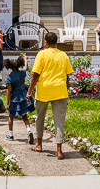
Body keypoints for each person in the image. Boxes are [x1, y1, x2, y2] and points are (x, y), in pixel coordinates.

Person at [26, 32, 73, 160]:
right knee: (59, 121)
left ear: (45, 42)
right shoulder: (63, 55)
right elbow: (67, 75)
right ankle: (59, 151)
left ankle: (39, 144)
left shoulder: (41, 54)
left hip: (44, 90)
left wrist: (29, 91)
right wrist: (66, 89)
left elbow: (35, 75)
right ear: (56, 43)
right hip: (60, 90)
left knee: (40, 117)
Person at [4, 55, 34, 143]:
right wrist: (25, 59)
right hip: (23, 96)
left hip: (14, 98)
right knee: (24, 115)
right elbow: (26, 67)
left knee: (11, 116)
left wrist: (8, 103)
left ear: (10, 66)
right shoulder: (22, 73)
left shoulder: (9, 77)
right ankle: (29, 130)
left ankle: (11, 134)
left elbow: (9, 91)